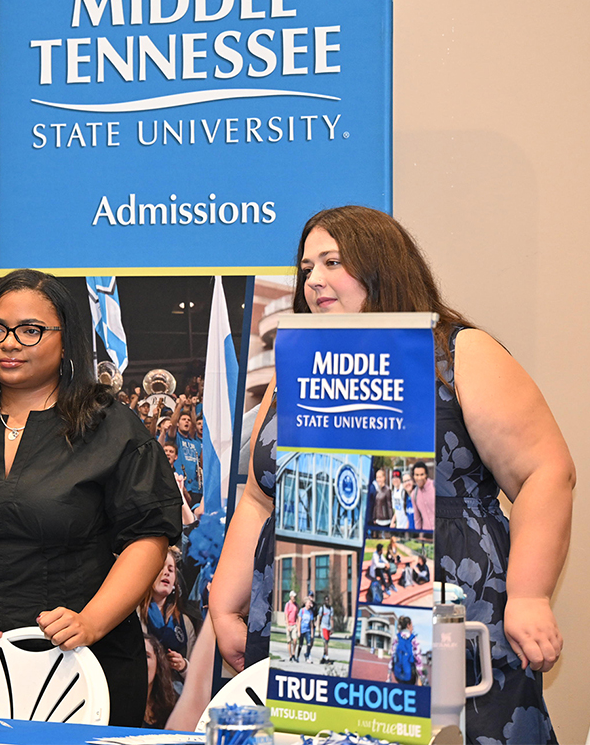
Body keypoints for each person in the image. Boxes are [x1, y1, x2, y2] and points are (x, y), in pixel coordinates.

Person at [208, 206, 575, 744]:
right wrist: (224, 602)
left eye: (333, 261)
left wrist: (529, 595)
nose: (314, 280)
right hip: (311, 618)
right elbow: (261, 499)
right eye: (306, 267)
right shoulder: (295, 370)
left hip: (443, 618)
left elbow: (547, 471)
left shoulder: (458, 352)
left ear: (383, 265)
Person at [0, 269, 182, 727]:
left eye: (30, 330)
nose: (10, 342)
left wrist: (91, 621)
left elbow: (148, 537)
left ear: (66, 340)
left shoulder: (111, 427)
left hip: (87, 666)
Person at [138, 547, 195, 687]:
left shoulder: (185, 623)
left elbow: (197, 674)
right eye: (160, 568)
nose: (166, 573)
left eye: (171, 569)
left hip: (175, 693)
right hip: (143, 689)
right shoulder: (134, 613)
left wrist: (183, 666)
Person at [143, 633, 179, 729]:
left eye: (146, 656)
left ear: (158, 666)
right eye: (137, 655)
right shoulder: (115, 706)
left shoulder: (173, 705)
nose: (140, 661)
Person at [388, 616, 423, 686]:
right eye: (412, 625)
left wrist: (389, 672)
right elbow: (418, 658)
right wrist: (421, 675)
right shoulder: (414, 638)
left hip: (397, 674)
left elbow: (393, 655)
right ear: (408, 625)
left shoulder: (397, 637)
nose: (412, 627)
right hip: (409, 676)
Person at [410, 461, 436, 531]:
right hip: (426, 534)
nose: (419, 478)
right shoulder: (414, 494)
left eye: (422, 474)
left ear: (426, 475)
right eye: (417, 475)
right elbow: (417, 518)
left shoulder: (436, 486)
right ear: (413, 476)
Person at [317, 595, 334, 664]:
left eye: (328, 600)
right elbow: (319, 619)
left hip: (328, 627)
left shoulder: (331, 609)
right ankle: (327, 657)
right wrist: (318, 629)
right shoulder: (322, 609)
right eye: (325, 600)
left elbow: (331, 619)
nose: (327, 601)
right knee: (326, 642)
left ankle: (323, 657)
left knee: (326, 642)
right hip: (323, 627)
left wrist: (332, 628)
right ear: (324, 601)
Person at [298, 596, 315, 663]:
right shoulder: (302, 611)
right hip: (302, 630)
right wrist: (299, 631)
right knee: (300, 644)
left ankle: (307, 657)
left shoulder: (310, 612)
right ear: (305, 603)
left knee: (309, 643)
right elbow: (299, 621)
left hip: (308, 630)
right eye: (308, 603)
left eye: (310, 603)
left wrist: (312, 633)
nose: (309, 604)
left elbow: (311, 623)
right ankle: (298, 656)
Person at [284, 590, 300, 662]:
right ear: (291, 597)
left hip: (294, 625)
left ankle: (293, 653)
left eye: (295, 597)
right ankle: (290, 655)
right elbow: (286, 616)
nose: (294, 598)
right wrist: (288, 626)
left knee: (295, 640)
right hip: (289, 624)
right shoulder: (288, 604)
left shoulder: (296, 605)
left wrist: (297, 625)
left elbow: (297, 616)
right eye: (293, 596)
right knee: (289, 641)